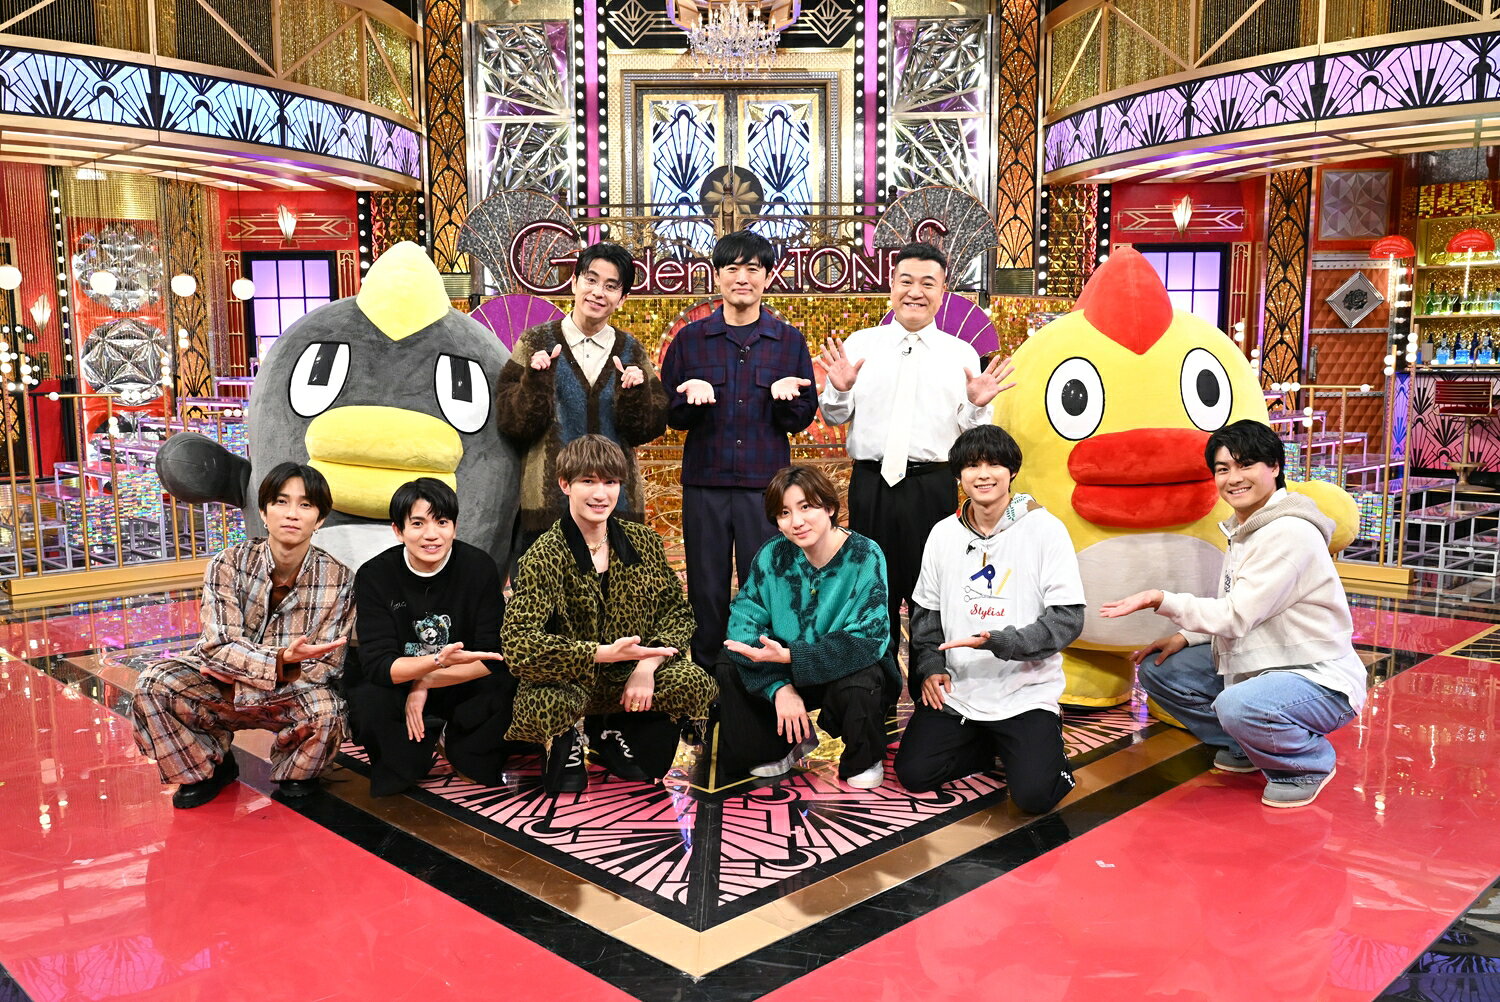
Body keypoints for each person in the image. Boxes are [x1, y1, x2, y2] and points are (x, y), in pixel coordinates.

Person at [1101, 419, 1366, 809]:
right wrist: (1186, 637)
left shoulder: (1288, 533)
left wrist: (1161, 599)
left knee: (1238, 705)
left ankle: (1307, 763)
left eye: (1245, 465)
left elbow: (1237, 616)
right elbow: (1249, 608)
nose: (1233, 478)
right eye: (1223, 469)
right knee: (1161, 670)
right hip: (1263, 663)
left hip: (1315, 677)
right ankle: (1246, 744)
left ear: (1274, 466)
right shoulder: (1248, 528)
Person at [819, 243, 1016, 690]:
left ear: (943, 292)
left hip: (932, 485)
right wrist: (840, 390)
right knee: (871, 589)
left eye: (928, 283)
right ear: (891, 286)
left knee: (933, 591)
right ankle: (877, 689)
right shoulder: (860, 345)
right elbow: (833, 416)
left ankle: (933, 685)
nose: (915, 292)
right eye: (906, 281)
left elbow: (970, 436)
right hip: (870, 482)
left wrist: (977, 404)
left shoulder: (961, 353)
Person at [503, 434, 718, 794]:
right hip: (571, 681)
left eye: (611, 482)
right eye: (588, 481)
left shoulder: (642, 540)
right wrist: (601, 653)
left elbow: (677, 612)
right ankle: (568, 735)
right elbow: (518, 645)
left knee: (694, 683)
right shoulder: (542, 555)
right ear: (565, 485)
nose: (600, 494)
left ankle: (609, 731)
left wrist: (647, 665)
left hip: (630, 677)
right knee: (544, 710)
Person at [132, 463, 353, 808]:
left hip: (287, 694)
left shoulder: (339, 579)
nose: (292, 514)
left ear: (320, 519)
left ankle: (294, 773)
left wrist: (243, 675)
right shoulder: (228, 563)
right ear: (264, 512)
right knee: (154, 684)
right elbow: (217, 645)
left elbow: (326, 666)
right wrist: (279, 661)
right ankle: (208, 765)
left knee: (329, 713)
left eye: (305, 505)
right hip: (222, 687)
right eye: (281, 502)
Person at [892, 425, 1084, 814]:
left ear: (1012, 471)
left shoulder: (1045, 529)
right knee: (914, 772)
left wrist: (1002, 641)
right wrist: (931, 666)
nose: (983, 475)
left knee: (1035, 795)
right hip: (960, 691)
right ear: (958, 475)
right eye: (972, 466)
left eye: (994, 464)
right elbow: (926, 612)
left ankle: (1041, 746)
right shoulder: (943, 534)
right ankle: (991, 744)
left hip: (1025, 691)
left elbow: (1068, 618)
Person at [659, 230, 818, 669]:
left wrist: (785, 400)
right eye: (732, 268)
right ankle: (707, 678)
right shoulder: (690, 340)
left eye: (752, 268)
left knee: (764, 584)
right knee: (705, 587)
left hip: (766, 490)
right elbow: (669, 413)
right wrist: (688, 399)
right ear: (718, 276)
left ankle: (758, 677)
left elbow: (802, 417)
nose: (742, 278)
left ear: (767, 276)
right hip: (705, 484)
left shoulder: (788, 341)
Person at [716, 465, 901, 788]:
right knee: (729, 661)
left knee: (864, 678)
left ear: (829, 507)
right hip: (787, 668)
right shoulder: (773, 554)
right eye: (784, 513)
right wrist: (779, 687)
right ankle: (782, 743)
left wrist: (793, 657)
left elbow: (869, 639)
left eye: (806, 507)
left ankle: (864, 755)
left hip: (845, 667)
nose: (796, 522)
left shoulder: (864, 554)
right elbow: (742, 624)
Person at [345, 478, 524, 796]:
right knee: (367, 699)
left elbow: (492, 655)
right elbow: (379, 665)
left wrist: (426, 681)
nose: (431, 534)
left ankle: (459, 743)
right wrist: (430, 667)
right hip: (399, 685)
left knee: (515, 680)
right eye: (418, 523)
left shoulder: (478, 567)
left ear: (454, 527)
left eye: (442, 522)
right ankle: (411, 753)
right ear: (398, 530)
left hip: (461, 679)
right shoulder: (375, 575)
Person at [495, 241, 669, 567]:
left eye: (611, 286)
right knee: (545, 595)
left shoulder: (631, 350)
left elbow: (649, 428)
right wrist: (534, 381)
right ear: (574, 282)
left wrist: (635, 393)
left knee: (616, 596)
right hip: (546, 508)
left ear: (622, 298)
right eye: (591, 280)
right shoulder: (534, 342)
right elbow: (511, 423)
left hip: (617, 510)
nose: (598, 292)